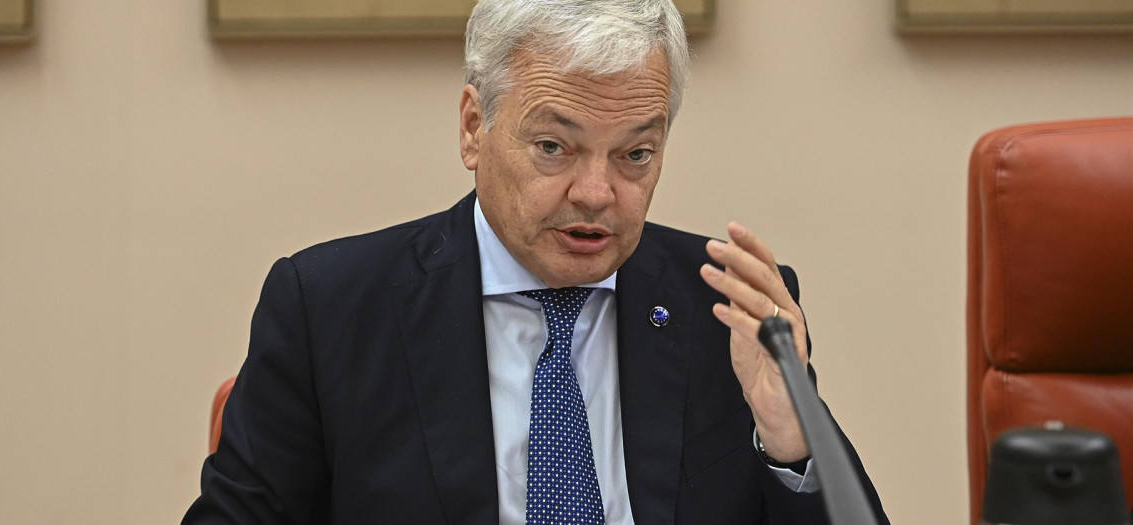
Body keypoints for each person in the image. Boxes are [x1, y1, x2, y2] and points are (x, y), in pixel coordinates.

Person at [183, 1, 888, 523]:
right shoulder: (330, 310)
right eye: (554, 147)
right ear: (473, 127)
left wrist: (790, 439)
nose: (597, 193)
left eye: (635, 154)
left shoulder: (724, 312)